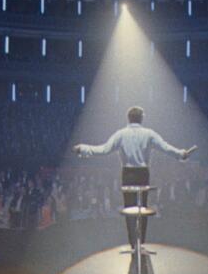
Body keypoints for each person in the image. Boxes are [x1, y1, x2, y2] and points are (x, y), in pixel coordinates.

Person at [72, 106, 196, 249]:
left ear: (128, 118)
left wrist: (82, 148)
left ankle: (133, 243)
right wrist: (181, 154)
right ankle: (140, 242)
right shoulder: (149, 133)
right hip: (143, 174)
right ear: (141, 118)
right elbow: (165, 147)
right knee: (142, 208)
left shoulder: (121, 134)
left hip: (128, 174)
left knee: (129, 209)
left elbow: (103, 149)